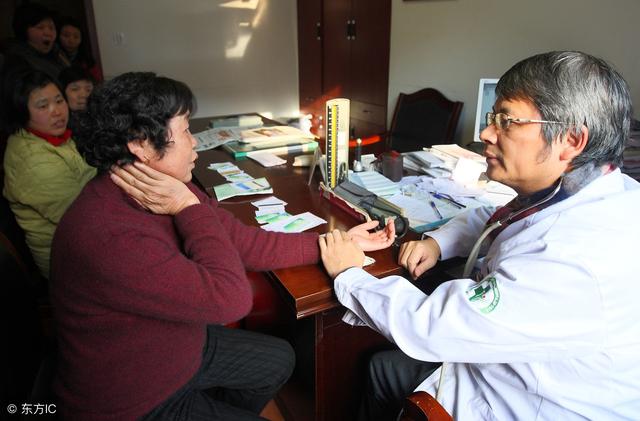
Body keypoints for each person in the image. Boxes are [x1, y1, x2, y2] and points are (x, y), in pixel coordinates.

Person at [49, 71, 395, 421]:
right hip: (133, 398)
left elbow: (241, 240)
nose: (194, 143)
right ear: (141, 145)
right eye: (186, 131)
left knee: (278, 360)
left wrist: (337, 242)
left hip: (173, 348)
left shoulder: (164, 186)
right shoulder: (107, 234)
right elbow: (231, 300)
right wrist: (189, 208)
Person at [319, 51, 640, 420]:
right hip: (516, 364)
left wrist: (350, 274)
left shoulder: (574, 259)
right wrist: (438, 242)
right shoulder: (598, 190)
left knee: (382, 367)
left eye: (507, 121)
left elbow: (431, 327)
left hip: (524, 402)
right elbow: (498, 217)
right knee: (384, 364)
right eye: (493, 118)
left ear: (571, 140)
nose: (487, 133)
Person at [2, 69, 96, 279]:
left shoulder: (50, 137)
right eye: (43, 106)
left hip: (83, 234)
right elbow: (81, 217)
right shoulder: (33, 160)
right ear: (21, 112)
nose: (57, 112)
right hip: (68, 259)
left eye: (59, 101)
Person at [2, 3, 67, 79]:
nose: (48, 33)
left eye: (52, 28)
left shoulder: (58, 53)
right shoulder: (16, 61)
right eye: (40, 27)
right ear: (24, 31)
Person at [56, 16, 102, 82]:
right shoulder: (54, 58)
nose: (71, 41)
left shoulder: (88, 61)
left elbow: (97, 82)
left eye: (76, 37)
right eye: (66, 35)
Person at [57, 65, 94, 132]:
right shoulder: (57, 123)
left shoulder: (101, 118)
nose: (83, 95)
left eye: (88, 90)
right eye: (75, 89)